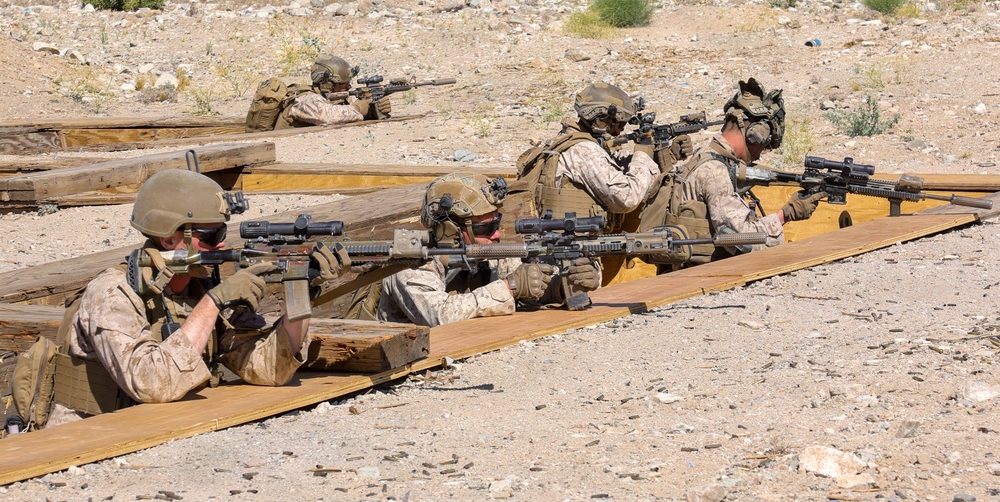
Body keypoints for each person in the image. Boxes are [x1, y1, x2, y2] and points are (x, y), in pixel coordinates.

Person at [41, 169, 347, 428]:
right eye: (210, 236)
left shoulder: (197, 287)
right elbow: (152, 383)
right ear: (170, 238)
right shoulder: (112, 293)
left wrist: (301, 292)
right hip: (88, 434)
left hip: (159, 427)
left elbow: (268, 367)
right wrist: (212, 304)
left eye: (222, 232)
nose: (223, 243)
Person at [375, 177, 601, 328]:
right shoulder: (411, 263)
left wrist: (559, 287)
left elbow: (526, 288)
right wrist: (510, 287)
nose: (496, 235)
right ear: (450, 229)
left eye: (497, 224)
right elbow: (441, 317)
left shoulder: (488, 254)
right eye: (486, 228)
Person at [641, 76, 821, 264]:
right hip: (698, 278)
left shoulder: (703, 154)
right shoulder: (715, 171)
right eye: (765, 145)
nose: (760, 154)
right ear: (755, 135)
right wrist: (786, 214)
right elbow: (741, 241)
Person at [515, 82, 661, 230]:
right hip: (574, 246)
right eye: (620, 123)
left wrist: (662, 154)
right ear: (602, 119)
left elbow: (611, 165)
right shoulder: (585, 151)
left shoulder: (567, 138)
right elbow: (626, 198)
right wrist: (643, 154)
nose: (621, 130)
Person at [245, 55, 391, 131]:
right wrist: (358, 108)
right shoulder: (305, 100)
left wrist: (372, 111)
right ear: (327, 83)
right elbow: (327, 116)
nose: (348, 87)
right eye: (343, 84)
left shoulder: (325, 98)